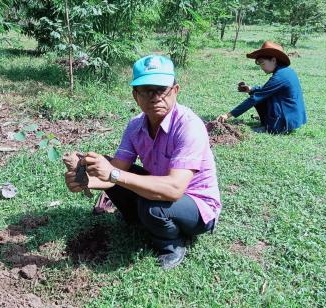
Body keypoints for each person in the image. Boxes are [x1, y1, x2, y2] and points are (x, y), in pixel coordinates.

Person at [64, 55, 221, 269]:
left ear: (175, 91)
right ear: (135, 96)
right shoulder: (136, 126)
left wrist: (113, 174)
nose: (155, 97)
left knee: (152, 206)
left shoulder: (188, 126)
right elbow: (115, 170)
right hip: (161, 188)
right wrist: (86, 181)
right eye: (147, 90)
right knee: (110, 167)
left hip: (197, 205)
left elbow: (174, 189)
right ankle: (142, 219)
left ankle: (171, 243)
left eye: (161, 90)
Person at [216, 41, 307, 134]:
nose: (262, 68)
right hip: (293, 117)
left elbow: (256, 98)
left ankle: (272, 128)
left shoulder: (280, 76)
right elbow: (267, 89)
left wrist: (228, 115)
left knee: (258, 97)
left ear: (273, 60)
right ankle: (271, 123)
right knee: (257, 94)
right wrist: (251, 89)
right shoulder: (286, 71)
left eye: (263, 63)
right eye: (260, 65)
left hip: (286, 121)